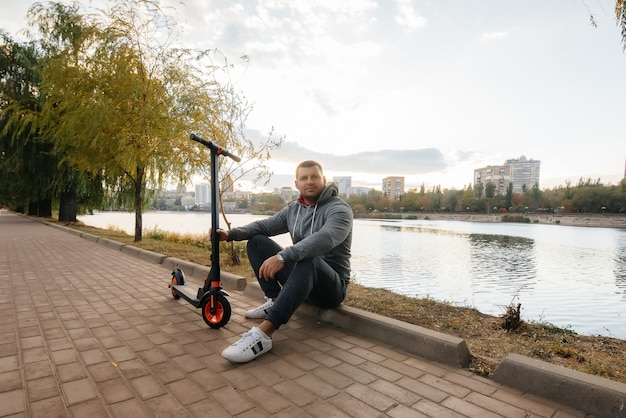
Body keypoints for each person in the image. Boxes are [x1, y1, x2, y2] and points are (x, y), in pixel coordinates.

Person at [212, 160, 353, 363]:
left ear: (323, 180)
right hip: (301, 281)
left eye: (314, 177)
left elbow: (325, 238)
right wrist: (230, 234)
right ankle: (275, 300)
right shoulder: (295, 209)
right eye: (304, 178)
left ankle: (263, 335)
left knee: (308, 258)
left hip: (330, 289)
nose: (310, 182)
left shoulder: (339, 210)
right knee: (257, 242)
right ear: (297, 184)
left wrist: (282, 257)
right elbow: (264, 225)